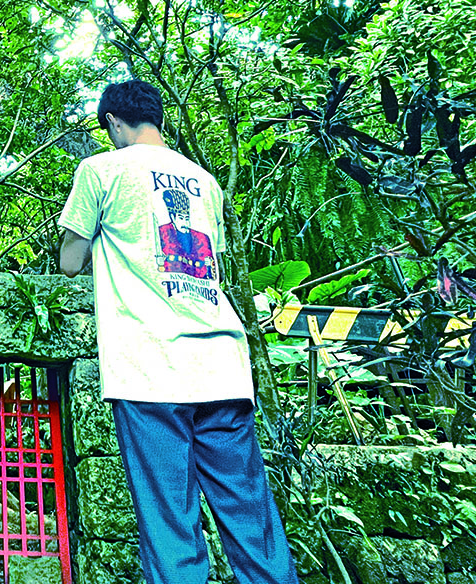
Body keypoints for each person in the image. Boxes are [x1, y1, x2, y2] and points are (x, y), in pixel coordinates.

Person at [58, 81, 297, 584]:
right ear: (157, 118)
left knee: (170, 523)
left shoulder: (101, 170)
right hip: (222, 367)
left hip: (150, 369)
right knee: (253, 522)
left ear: (113, 123)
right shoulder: (205, 180)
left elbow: (69, 262)